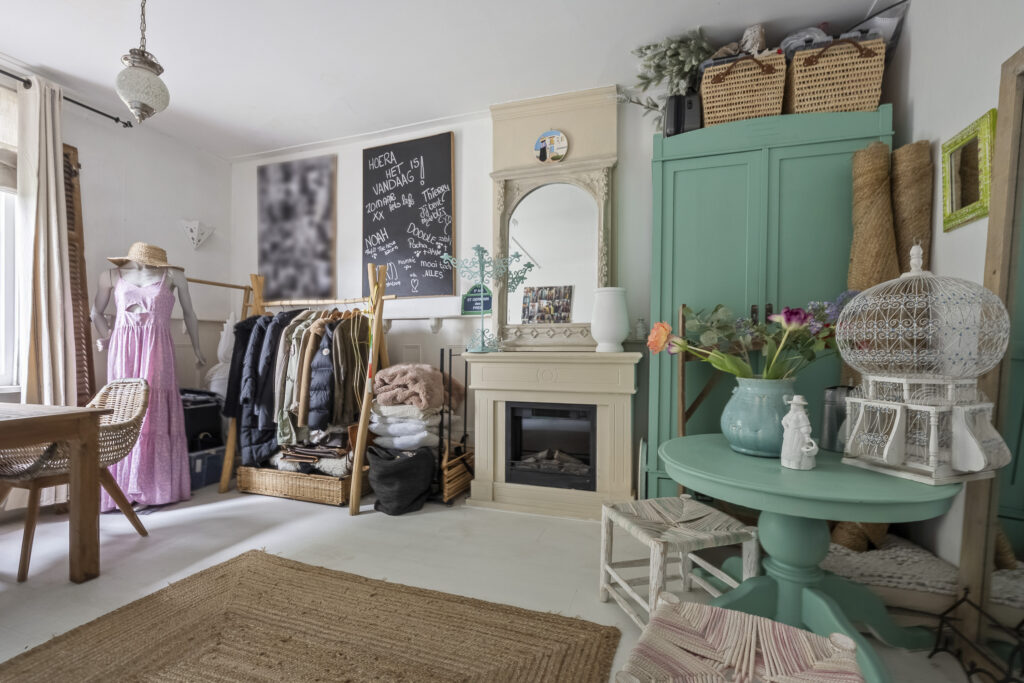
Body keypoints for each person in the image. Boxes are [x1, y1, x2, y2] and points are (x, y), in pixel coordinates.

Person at [90, 242, 205, 511]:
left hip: (158, 349)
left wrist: (198, 349)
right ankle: (121, 490)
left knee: (153, 411)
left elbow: (190, 314)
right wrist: (106, 337)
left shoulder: (174, 277)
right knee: (122, 411)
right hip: (123, 350)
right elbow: (96, 312)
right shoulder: (109, 276)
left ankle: (151, 489)